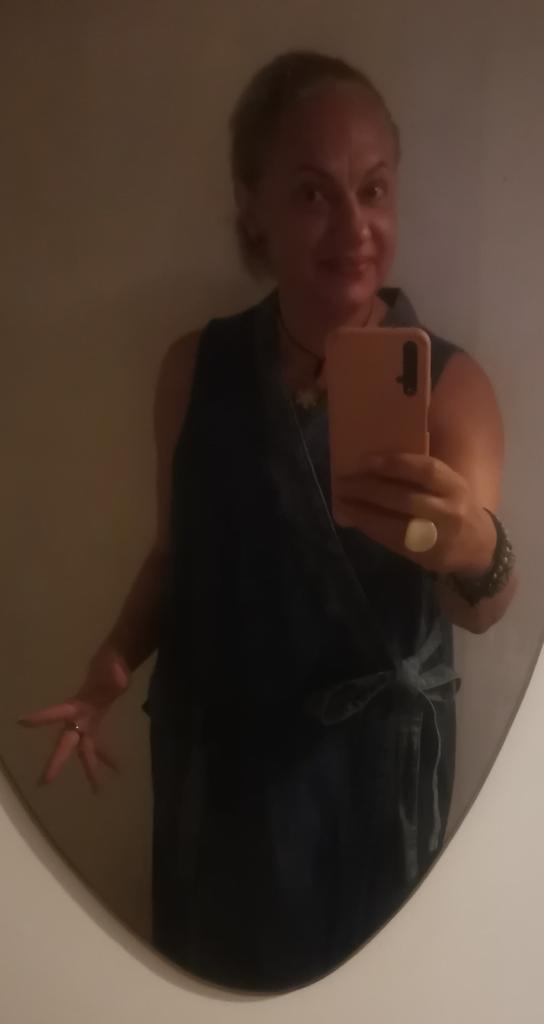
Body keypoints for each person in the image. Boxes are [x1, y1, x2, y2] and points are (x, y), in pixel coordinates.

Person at [19, 51, 517, 991]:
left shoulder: (452, 389)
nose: (355, 228)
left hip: (373, 795)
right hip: (220, 782)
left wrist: (476, 546)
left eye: (374, 189)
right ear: (252, 207)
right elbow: (177, 555)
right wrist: (106, 672)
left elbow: (482, 608)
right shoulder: (192, 369)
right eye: (313, 194)